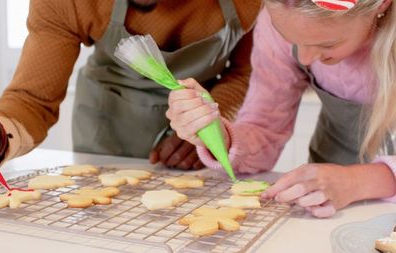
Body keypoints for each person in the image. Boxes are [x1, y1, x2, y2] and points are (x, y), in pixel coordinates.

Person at [0, 0, 261, 169]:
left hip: (205, 127)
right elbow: (32, 99)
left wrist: (210, 125)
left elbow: (248, 72)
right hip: (106, 123)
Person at [166, 0, 396, 217]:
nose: (305, 58)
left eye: (328, 44)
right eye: (292, 40)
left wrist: (355, 182)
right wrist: (219, 136)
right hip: (327, 203)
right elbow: (264, 129)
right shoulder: (280, 13)